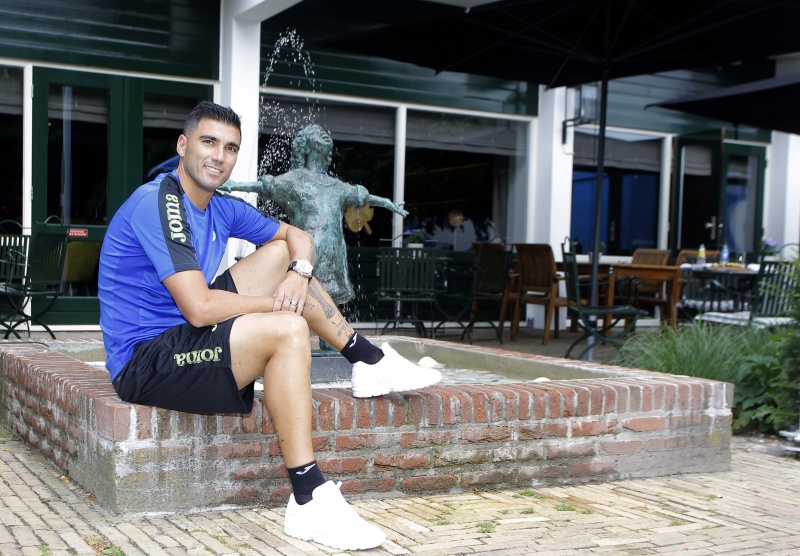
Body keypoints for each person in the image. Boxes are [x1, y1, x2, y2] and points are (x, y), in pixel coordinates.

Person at [98, 102, 441, 551]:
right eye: (208, 142)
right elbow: (199, 308)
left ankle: (367, 359)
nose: (219, 156)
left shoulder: (218, 207)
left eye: (230, 147)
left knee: (281, 255)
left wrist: (299, 273)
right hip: (147, 360)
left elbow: (299, 237)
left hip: (185, 333)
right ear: (182, 145)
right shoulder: (159, 202)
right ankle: (307, 496)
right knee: (289, 329)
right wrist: (280, 306)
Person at [221, 124, 407, 305]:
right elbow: (265, 187)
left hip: (333, 252)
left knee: (329, 303)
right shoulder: (294, 179)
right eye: (316, 132)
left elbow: (363, 198)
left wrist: (387, 203)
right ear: (306, 145)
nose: (323, 134)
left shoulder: (337, 186)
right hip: (306, 250)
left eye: (323, 132)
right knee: (301, 300)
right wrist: (234, 185)